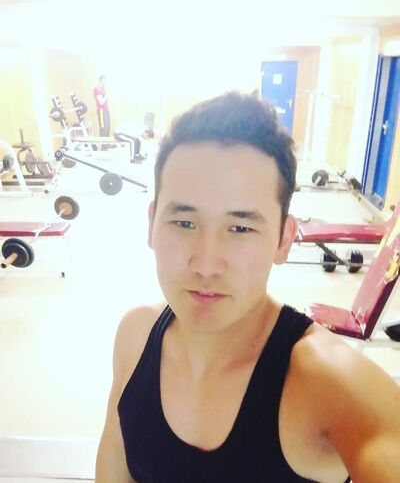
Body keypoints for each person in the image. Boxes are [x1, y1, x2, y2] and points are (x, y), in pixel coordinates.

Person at [95, 92, 400, 482]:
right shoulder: (136, 336)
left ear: (283, 239)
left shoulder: (322, 380)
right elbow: (114, 465)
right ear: (152, 224)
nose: (206, 265)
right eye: (184, 223)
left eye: (240, 228)